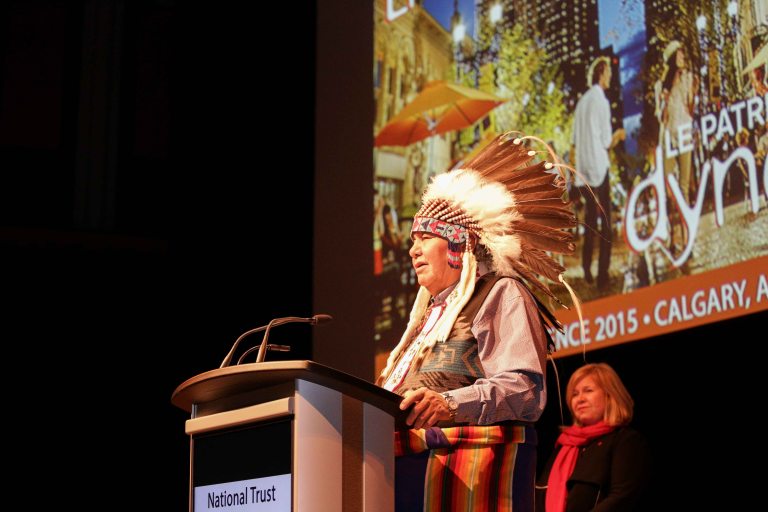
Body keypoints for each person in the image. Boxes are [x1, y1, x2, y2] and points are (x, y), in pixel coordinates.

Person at [376, 132, 579, 511]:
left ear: (458, 245)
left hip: (464, 486)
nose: (413, 249)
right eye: (412, 240)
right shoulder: (425, 320)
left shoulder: (500, 293)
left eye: (424, 238)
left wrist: (450, 404)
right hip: (403, 480)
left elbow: (524, 390)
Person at [536, 363, 650, 512]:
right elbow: (539, 495)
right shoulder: (564, 445)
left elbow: (622, 498)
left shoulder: (626, 441)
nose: (579, 399)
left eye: (588, 391)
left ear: (611, 395)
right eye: (575, 394)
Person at [572, 56, 625, 290]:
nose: (610, 78)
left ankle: (586, 268)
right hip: (598, 169)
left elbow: (574, 142)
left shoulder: (581, 103)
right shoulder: (601, 101)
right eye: (609, 73)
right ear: (601, 73)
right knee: (606, 224)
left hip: (582, 171)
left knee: (590, 223)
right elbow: (605, 141)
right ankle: (602, 275)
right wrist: (619, 135)